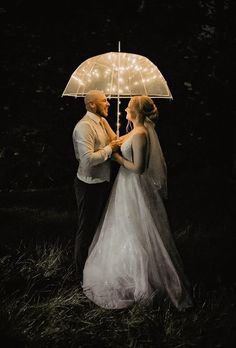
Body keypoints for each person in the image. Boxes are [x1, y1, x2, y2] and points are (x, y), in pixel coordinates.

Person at [82, 95, 193, 311]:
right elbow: (117, 141)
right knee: (123, 227)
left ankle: (143, 282)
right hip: (125, 186)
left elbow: (139, 168)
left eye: (128, 107)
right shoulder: (134, 131)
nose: (124, 110)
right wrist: (107, 129)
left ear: (138, 113)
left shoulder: (141, 134)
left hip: (133, 186)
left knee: (135, 229)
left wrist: (118, 160)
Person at [72, 90, 122, 282]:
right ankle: (80, 278)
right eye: (104, 101)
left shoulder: (101, 121)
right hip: (88, 185)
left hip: (102, 183)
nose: (108, 103)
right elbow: (87, 160)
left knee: (99, 228)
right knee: (86, 230)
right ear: (92, 104)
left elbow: (115, 140)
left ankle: (94, 272)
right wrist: (110, 149)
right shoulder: (84, 127)